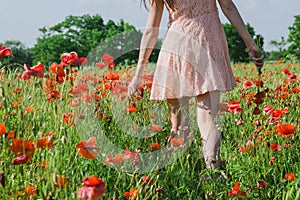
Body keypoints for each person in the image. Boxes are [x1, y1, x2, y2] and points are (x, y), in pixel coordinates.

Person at [127, 0, 264, 170]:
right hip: (206, 39)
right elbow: (227, 6)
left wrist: (138, 74)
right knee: (208, 121)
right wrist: (250, 44)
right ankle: (212, 167)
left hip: (175, 44)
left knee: (178, 126)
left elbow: (151, 31)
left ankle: (181, 179)